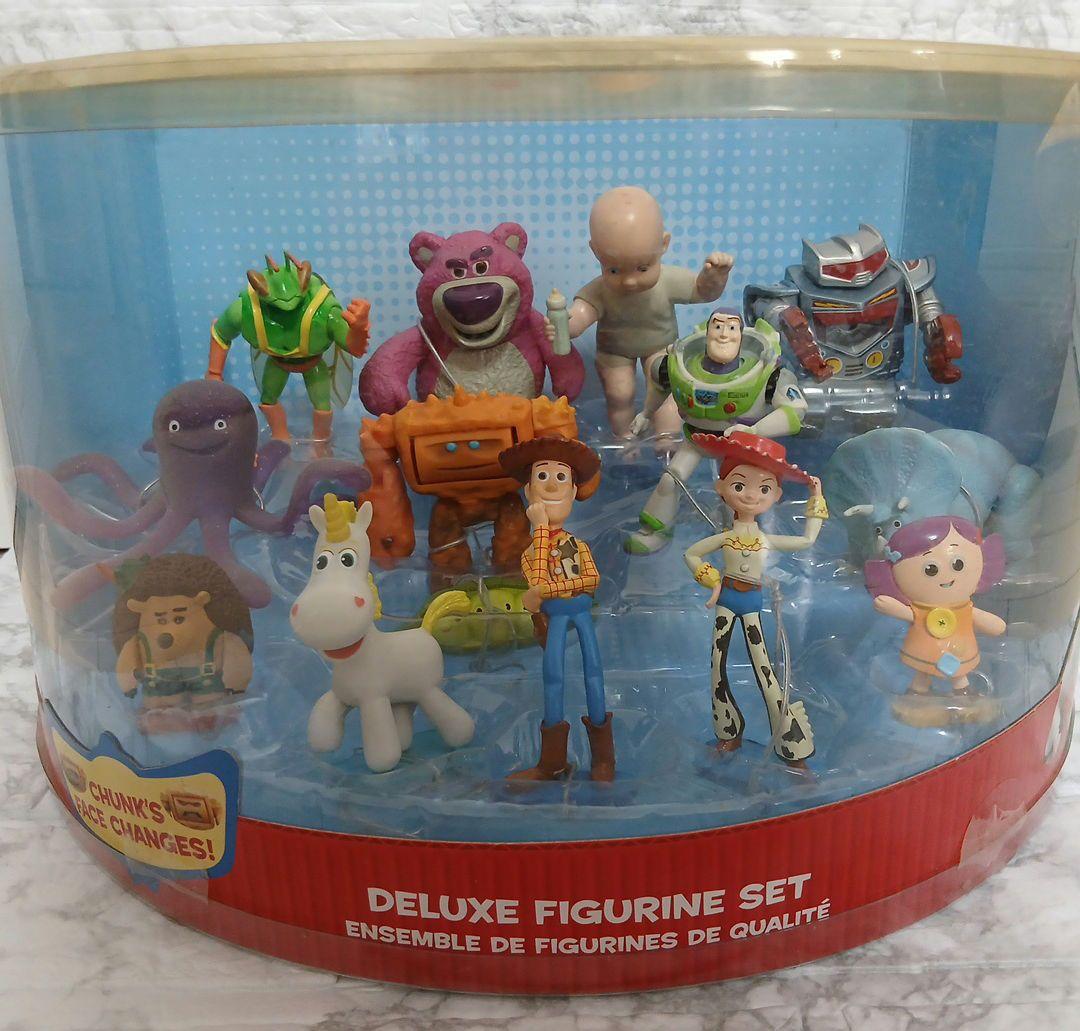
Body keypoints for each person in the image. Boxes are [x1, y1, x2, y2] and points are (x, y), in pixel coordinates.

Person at [684, 431, 827, 765]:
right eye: (739, 485)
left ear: (776, 495)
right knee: (717, 666)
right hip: (726, 601)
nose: (750, 495)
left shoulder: (764, 539)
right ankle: (727, 732)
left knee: (765, 671)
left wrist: (816, 497)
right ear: (721, 488)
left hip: (752, 604)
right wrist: (713, 580)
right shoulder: (727, 537)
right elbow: (691, 554)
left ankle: (792, 746)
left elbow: (807, 541)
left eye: (763, 489)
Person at [557, 186, 734, 437]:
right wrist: (565, 324)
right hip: (614, 351)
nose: (630, 281)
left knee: (665, 389)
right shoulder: (600, 290)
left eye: (642, 268)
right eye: (614, 270)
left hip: (660, 346)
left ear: (663, 245)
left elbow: (702, 292)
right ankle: (624, 439)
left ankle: (666, 439)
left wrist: (715, 277)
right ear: (596, 252)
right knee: (619, 393)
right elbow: (582, 313)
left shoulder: (668, 280)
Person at [497, 436, 612, 782]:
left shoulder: (578, 544)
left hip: (580, 614)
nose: (550, 485)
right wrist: (541, 529)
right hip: (557, 619)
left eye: (560, 477)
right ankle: (552, 762)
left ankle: (604, 760)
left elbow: (591, 580)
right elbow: (536, 577)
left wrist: (549, 590)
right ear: (529, 491)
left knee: (594, 673)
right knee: (553, 676)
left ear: (573, 491)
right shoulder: (531, 551)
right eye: (542, 476)